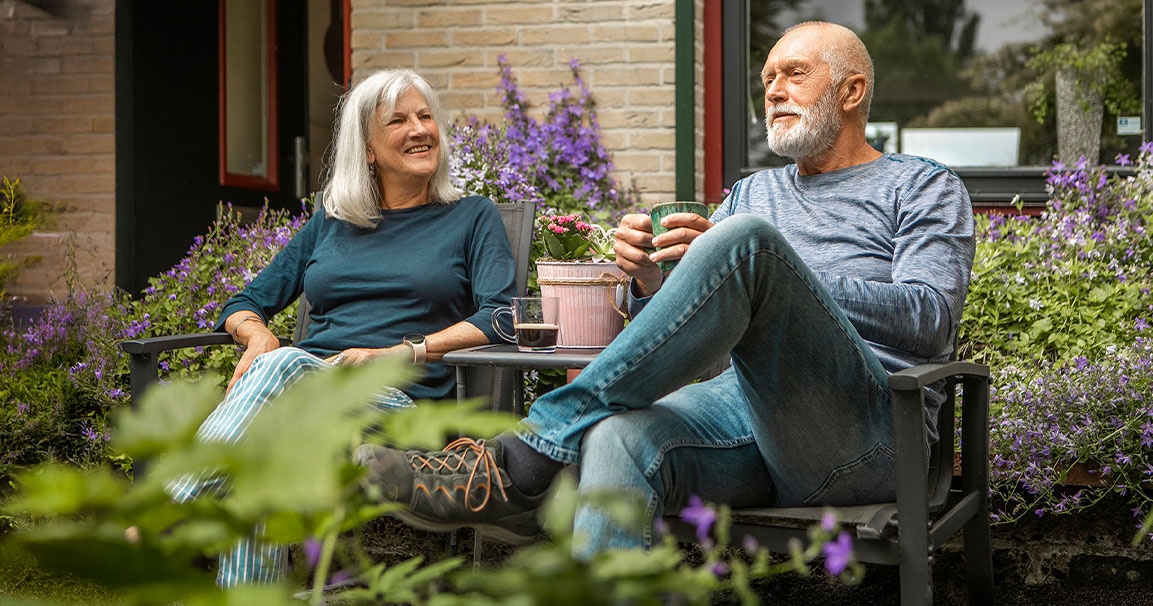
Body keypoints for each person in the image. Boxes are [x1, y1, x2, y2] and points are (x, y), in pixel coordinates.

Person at [355, 21, 975, 558]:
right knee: (617, 438)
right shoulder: (754, 191)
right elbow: (699, 349)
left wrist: (774, 273)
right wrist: (652, 280)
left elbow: (930, 320)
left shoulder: (921, 186)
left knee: (749, 243)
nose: (774, 91)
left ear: (852, 91)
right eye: (767, 80)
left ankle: (527, 454)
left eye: (794, 74)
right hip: (748, 421)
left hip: (865, 434)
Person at [166, 67, 518, 586]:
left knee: (283, 367)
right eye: (398, 121)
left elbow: (500, 316)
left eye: (426, 117)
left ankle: (158, 516)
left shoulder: (471, 217)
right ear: (368, 149)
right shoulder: (331, 222)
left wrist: (404, 352)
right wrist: (257, 334)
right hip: (308, 396)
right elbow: (246, 301)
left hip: (404, 410)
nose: (420, 129)